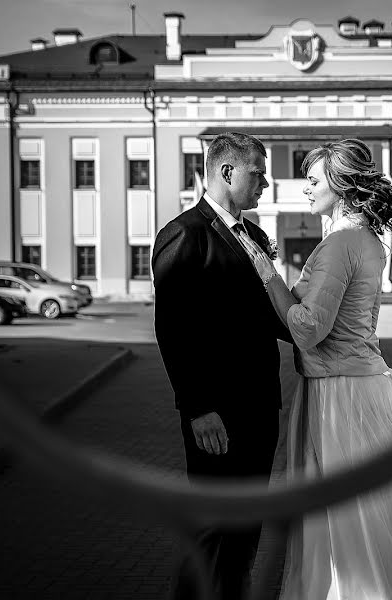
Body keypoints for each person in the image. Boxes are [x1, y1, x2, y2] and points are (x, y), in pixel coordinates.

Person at [240, 139, 392, 599]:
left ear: (340, 186)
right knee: (370, 522)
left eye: (314, 181)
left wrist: (268, 275)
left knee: (344, 528)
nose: (306, 189)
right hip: (368, 385)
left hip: (339, 394)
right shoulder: (366, 239)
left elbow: (309, 329)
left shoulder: (340, 244)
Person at [151, 132, 291, 600]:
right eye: (259, 173)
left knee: (244, 534)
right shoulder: (184, 234)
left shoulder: (254, 236)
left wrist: (329, 326)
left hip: (260, 410)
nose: (266, 183)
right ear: (228, 172)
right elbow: (173, 330)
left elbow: (270, 315)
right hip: (218, 417)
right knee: (211, 531)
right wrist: (197, 408)